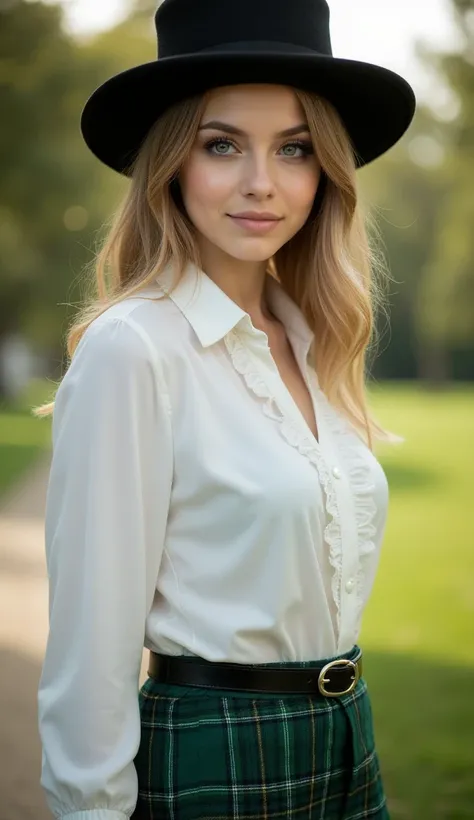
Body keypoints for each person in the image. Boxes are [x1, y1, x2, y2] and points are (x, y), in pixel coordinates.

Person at [35, 0, 416, 818]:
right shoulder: (135, 348)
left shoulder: (315, 341)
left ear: (327, 172)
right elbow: (90, 645)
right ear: (172, 162)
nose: (261, 183)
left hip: (348, 738)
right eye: (221, 145)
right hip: (214, 751)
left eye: (295, 149)